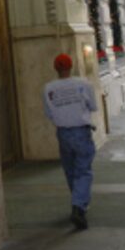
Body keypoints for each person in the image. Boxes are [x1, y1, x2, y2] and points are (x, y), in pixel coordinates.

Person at [42, 52, 98, 230]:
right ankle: (78, 207)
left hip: (63, 133)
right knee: (83, 170)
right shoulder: (83, 84)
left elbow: (49, 113)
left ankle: (78, 202)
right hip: (81, 131)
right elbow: (93, 106)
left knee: (70, 169)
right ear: (71, 66)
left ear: (55, 69)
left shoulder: (48, 88)